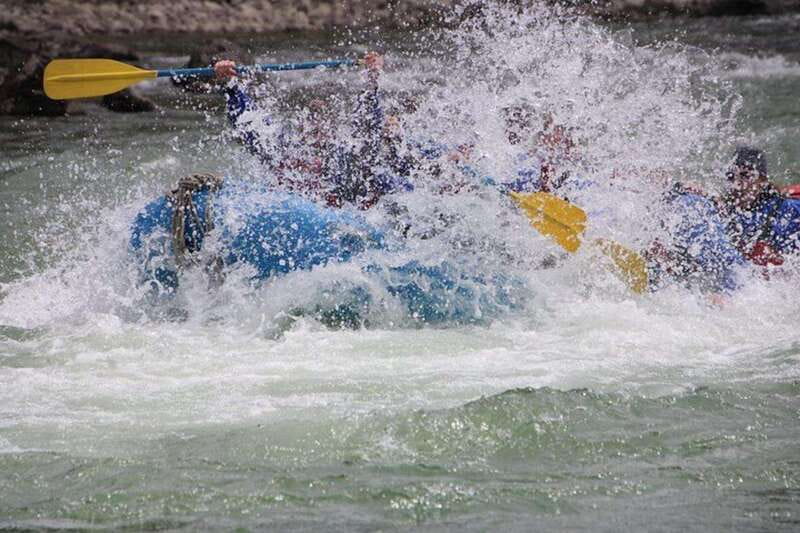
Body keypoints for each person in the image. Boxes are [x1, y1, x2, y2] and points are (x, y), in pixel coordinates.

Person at [213, 52, 414, 210]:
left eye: (320, 124)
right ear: (301, 128)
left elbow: (368, 124)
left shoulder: (343, 154)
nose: (315, 129)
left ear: (330, 129)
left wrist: (372, 80)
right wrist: (231, 85)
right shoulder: (285, 150)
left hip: (347, 221)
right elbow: (248, 122)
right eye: (310, 122)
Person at [717, 147, 800, 267]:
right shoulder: (723, 211)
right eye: (731, 176)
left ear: (762, 181)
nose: (736, 184)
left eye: (745, 175)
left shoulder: (787, 210)